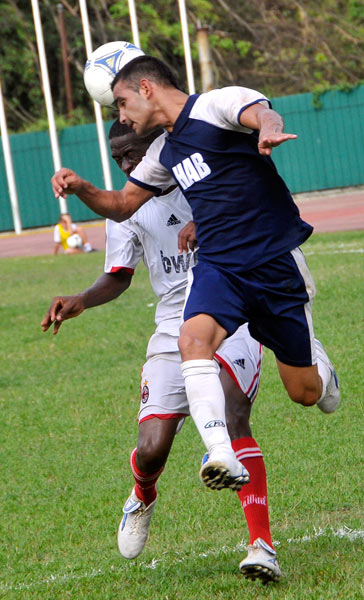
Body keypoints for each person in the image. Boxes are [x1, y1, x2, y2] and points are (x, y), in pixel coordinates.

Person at [51, 56, 340, 497]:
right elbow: (123, 205)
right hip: (220, 266)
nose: (123, 115)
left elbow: (260, 110)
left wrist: (266, 127)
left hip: (272, 264)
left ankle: (318, 366)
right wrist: (81, 188)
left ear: (146, 88)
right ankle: (220, 452)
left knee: (304, 393)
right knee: (192, 340)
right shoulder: (163, 151)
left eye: (123, 103)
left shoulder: (216, 105)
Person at [44, 121, 281, 583]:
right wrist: (81, 300)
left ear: (157, 145)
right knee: (151, 449)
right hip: (171, 328)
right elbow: (118, 274)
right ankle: (143, 493)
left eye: (132, 153)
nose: (127, 165)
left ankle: (262, 545)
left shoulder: (205, 177)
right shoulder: (128, 209)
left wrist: (209, 218)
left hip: (230, 314)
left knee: (233, 410)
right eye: (118, 160)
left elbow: (255, 207)